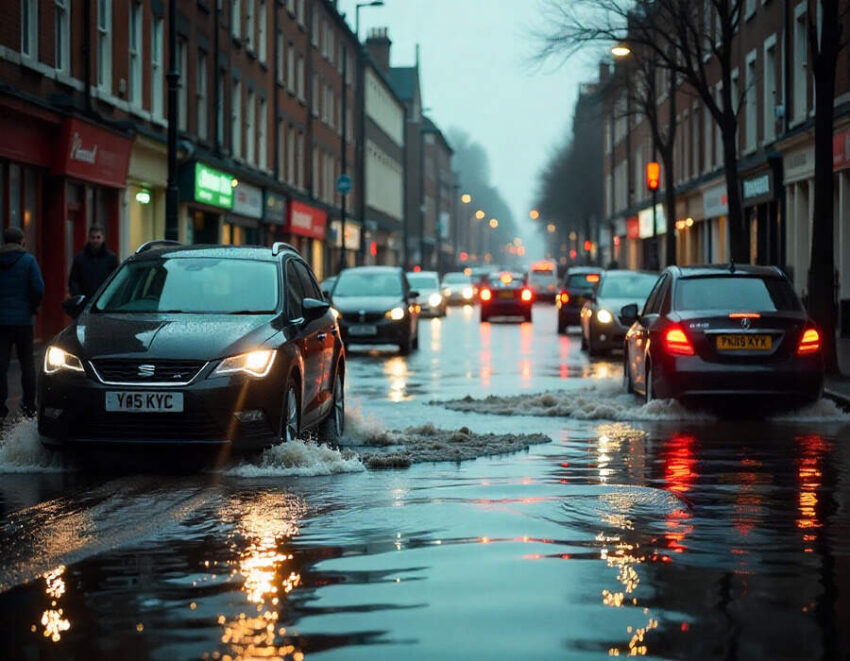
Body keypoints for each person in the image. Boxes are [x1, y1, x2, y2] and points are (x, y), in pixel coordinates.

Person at [0, 227, 45, 422]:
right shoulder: (28, 261)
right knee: (27, 364)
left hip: (1, 322)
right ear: (22, 241)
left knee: (1, 366)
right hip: (23, 321)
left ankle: (0, 408)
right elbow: (38, 288)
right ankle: (28, 405)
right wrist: (32, 307)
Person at [69, 224, 119, 299]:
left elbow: (116, 280)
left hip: (105, 302)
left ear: (103, 238)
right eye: (93, 237)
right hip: (85, 302)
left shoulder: (111, 258)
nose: (95, 240)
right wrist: (77, 296)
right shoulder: (79, 259)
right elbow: (73, 280)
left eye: (98, 237)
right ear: (89, 238)